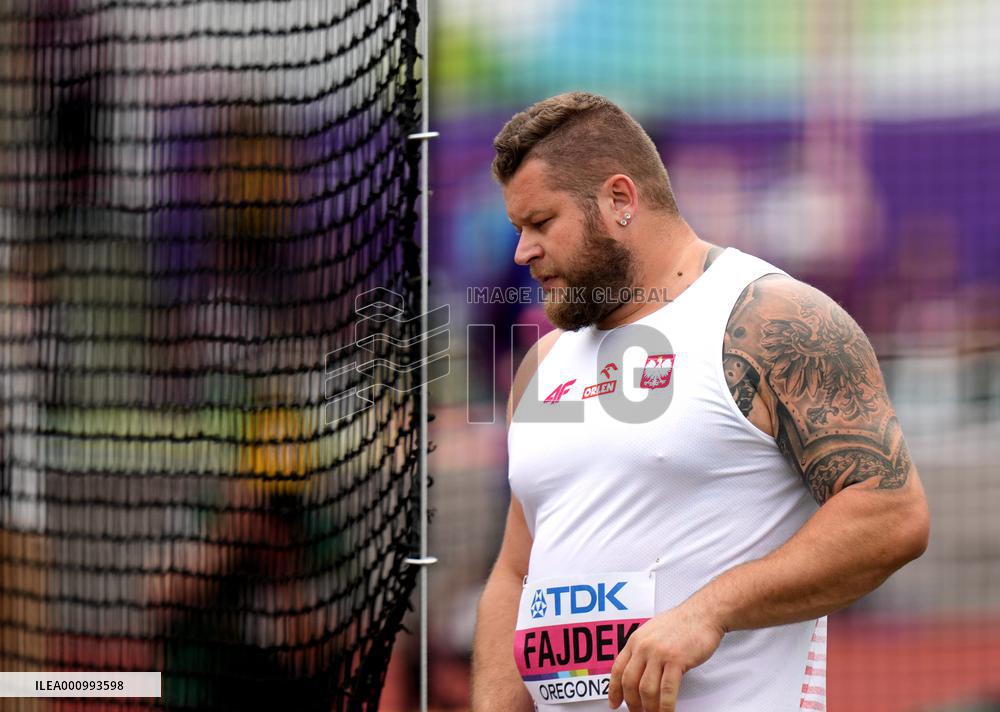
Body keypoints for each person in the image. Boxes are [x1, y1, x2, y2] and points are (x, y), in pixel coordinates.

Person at [470, 92, 929, 712]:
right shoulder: (543, 364)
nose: (522, 251)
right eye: (517, 229)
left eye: (541, 223)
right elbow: (515, 574)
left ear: (619, 201)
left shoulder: (768, 319)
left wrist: (709, 611)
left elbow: (892, 515)